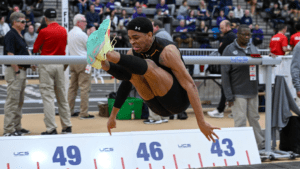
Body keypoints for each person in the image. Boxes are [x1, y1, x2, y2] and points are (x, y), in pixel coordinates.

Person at [88, 17, 220, 141]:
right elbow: (127, 82)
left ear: (150, 35)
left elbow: (190, 85)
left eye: (136, 37)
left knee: (149, 64)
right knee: (133, 74)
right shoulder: (132, 52)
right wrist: (113, 116)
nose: (132, 42)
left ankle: (110, 54)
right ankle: (105, 64)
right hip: (157, 107)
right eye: (130, 38)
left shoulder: (167, 52)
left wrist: (201, 122)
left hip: (178, 101)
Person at [221, 25, 265, 150]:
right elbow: (224, 75)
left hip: (252, 91)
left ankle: (260, 145)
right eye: (244, 35)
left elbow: (260, 61)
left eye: (248, 35)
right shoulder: (229, 50)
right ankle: (241, 147)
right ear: (238, 35)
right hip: (237, 93)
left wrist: (269, 58)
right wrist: (228, 95)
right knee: (240, 121)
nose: (246, 37)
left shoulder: (254, 48)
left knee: (255, 119)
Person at [33, 8, 72, 135]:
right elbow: (65, 44)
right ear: (56, 18)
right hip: (60, 64)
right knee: (62, 96)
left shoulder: (43, 31)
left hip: (47, 64)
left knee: (48, 97)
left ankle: (51, 128)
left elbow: (35, 48)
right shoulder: (63, 30)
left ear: (45, 18)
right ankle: (67, 126)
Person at [3, 12, 32, 136]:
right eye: (22, 21)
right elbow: (10, 54)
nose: (25, 23)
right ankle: (9, 129)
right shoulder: (10, 34)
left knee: (19, 101)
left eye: (25, 21)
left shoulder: (19, 34)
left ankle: (17, 127)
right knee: (12, 101)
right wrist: (17, 70)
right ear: (15, 22)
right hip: (16, 71)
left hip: (20, 70)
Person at [143, 19, 172, 124]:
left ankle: (154, 118)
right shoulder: (166, 34)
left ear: (156, 27)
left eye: (151, 26)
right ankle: (164, 117)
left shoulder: (159, 36)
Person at [207, 20, 236, 118]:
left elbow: (221, 49)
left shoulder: (229, 36)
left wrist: (221, 46)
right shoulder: (230, 35)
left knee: (227, 88)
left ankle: (220, 110)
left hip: (231, 67)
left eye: (222, 28)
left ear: (228, 27)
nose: (220, 30)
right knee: (228, 88)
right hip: (231, 66)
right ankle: (226, 110)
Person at [68, 14, 94, 119]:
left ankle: (69, 110)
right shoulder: (82, 35)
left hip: (73, 61)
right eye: (84, 21)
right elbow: (91, 49)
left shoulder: (69, 33)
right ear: (79, 22)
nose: (86, 24)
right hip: (83, 62)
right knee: (84, 88)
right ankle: (84, 112)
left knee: (72, 88)